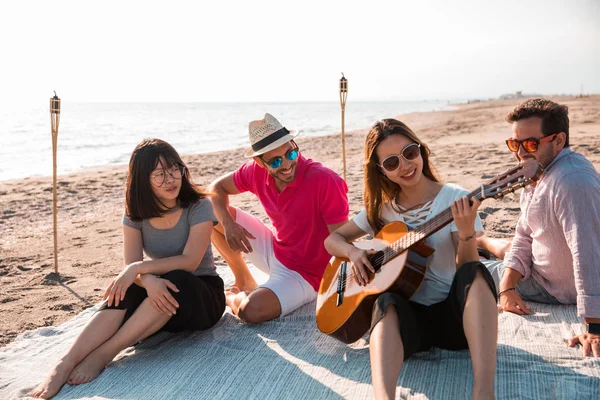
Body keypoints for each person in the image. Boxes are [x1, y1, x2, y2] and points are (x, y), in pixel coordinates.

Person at [30, 139, 225, 399]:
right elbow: (131, 269)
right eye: (159, 174)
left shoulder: (199, 206)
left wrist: (138, 269)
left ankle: (105, 353)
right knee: (128, 287)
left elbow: (189, 261)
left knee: (177, 278)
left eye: (174, 169)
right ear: (143, 181)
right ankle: (65, 361)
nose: (170, 179)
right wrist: (147, 278)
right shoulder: (135, 214)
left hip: (201, 297)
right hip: (160, 301)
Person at [324, 119, 498, 400]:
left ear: (421, 151)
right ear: (381, 171)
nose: (404, 165)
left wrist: (466, 236)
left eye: (409, 153)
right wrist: (355, 253)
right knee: (384, 302)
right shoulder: (381, 212)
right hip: (409, 330)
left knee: (476, 273)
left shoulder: (454, 198)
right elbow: (332, 240)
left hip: (457, 322)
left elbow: (465, 267)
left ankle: (483, 392)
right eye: (392, 162)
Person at [478, 98, 600, 358]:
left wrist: (594, 325)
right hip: (540, 265)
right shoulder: (540, 172)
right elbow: (524, 233)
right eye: (514, 143)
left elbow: (587, 250)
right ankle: (483, 243)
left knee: (466, 270)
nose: (520, 153)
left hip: (549, 286)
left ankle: (480, 244)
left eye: (530, 143)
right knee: (509, 248)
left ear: (558, 140)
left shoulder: (572, 181)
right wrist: (507, 288)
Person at [209, 113, 349, 324]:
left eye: (291, 154)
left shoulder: (326, 181)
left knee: (251, 312)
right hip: (275, 249)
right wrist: (228, 225)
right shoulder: (254, 172)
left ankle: (228, 296)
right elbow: (216, 188)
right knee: (207, 212)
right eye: (275, 161)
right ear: (259, 161)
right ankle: (244, 279)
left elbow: (342, 241)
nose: (286, 164)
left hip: (306, 274)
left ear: (294, 144)